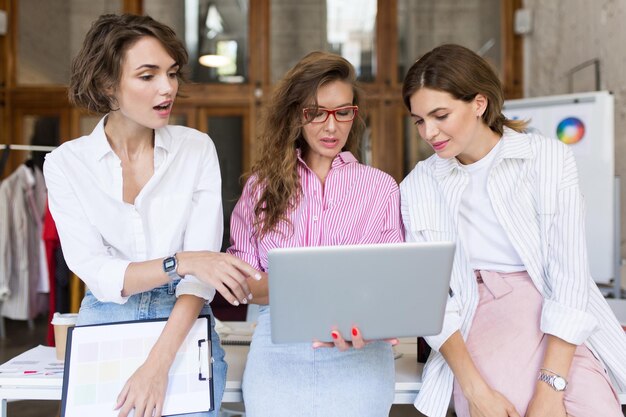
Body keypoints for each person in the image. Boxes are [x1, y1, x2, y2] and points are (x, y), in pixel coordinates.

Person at [44, 14, 260, 417]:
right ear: (108, 86)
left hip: (184, 319)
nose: (168, 88)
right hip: (105, 317)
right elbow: (97, 270)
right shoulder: (65, 164)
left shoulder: (196, 149)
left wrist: (157, 365)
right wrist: (182, 261)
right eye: (148, 75)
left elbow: (199, 279)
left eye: (172, 73)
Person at [400, 43, 626, 417]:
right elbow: (433, 302)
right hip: (481, 311)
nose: (429, 132)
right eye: (419, 120)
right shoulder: (417, 187)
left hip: (558, 314)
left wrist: (550, 389)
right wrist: (476, 391)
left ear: (479, 103)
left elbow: (569, 277)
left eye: (440, 115)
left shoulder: (548, 159)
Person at [226, 51, 405, 416]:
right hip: (279, 355)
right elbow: (242, 282)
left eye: (343, 112)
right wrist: (315, 285)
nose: (331, 126)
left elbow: (392, 284)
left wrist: (370, 315)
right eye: (316, 112)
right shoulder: (261, 188)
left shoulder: (381, 189)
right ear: (295, 115)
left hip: (359, 352)